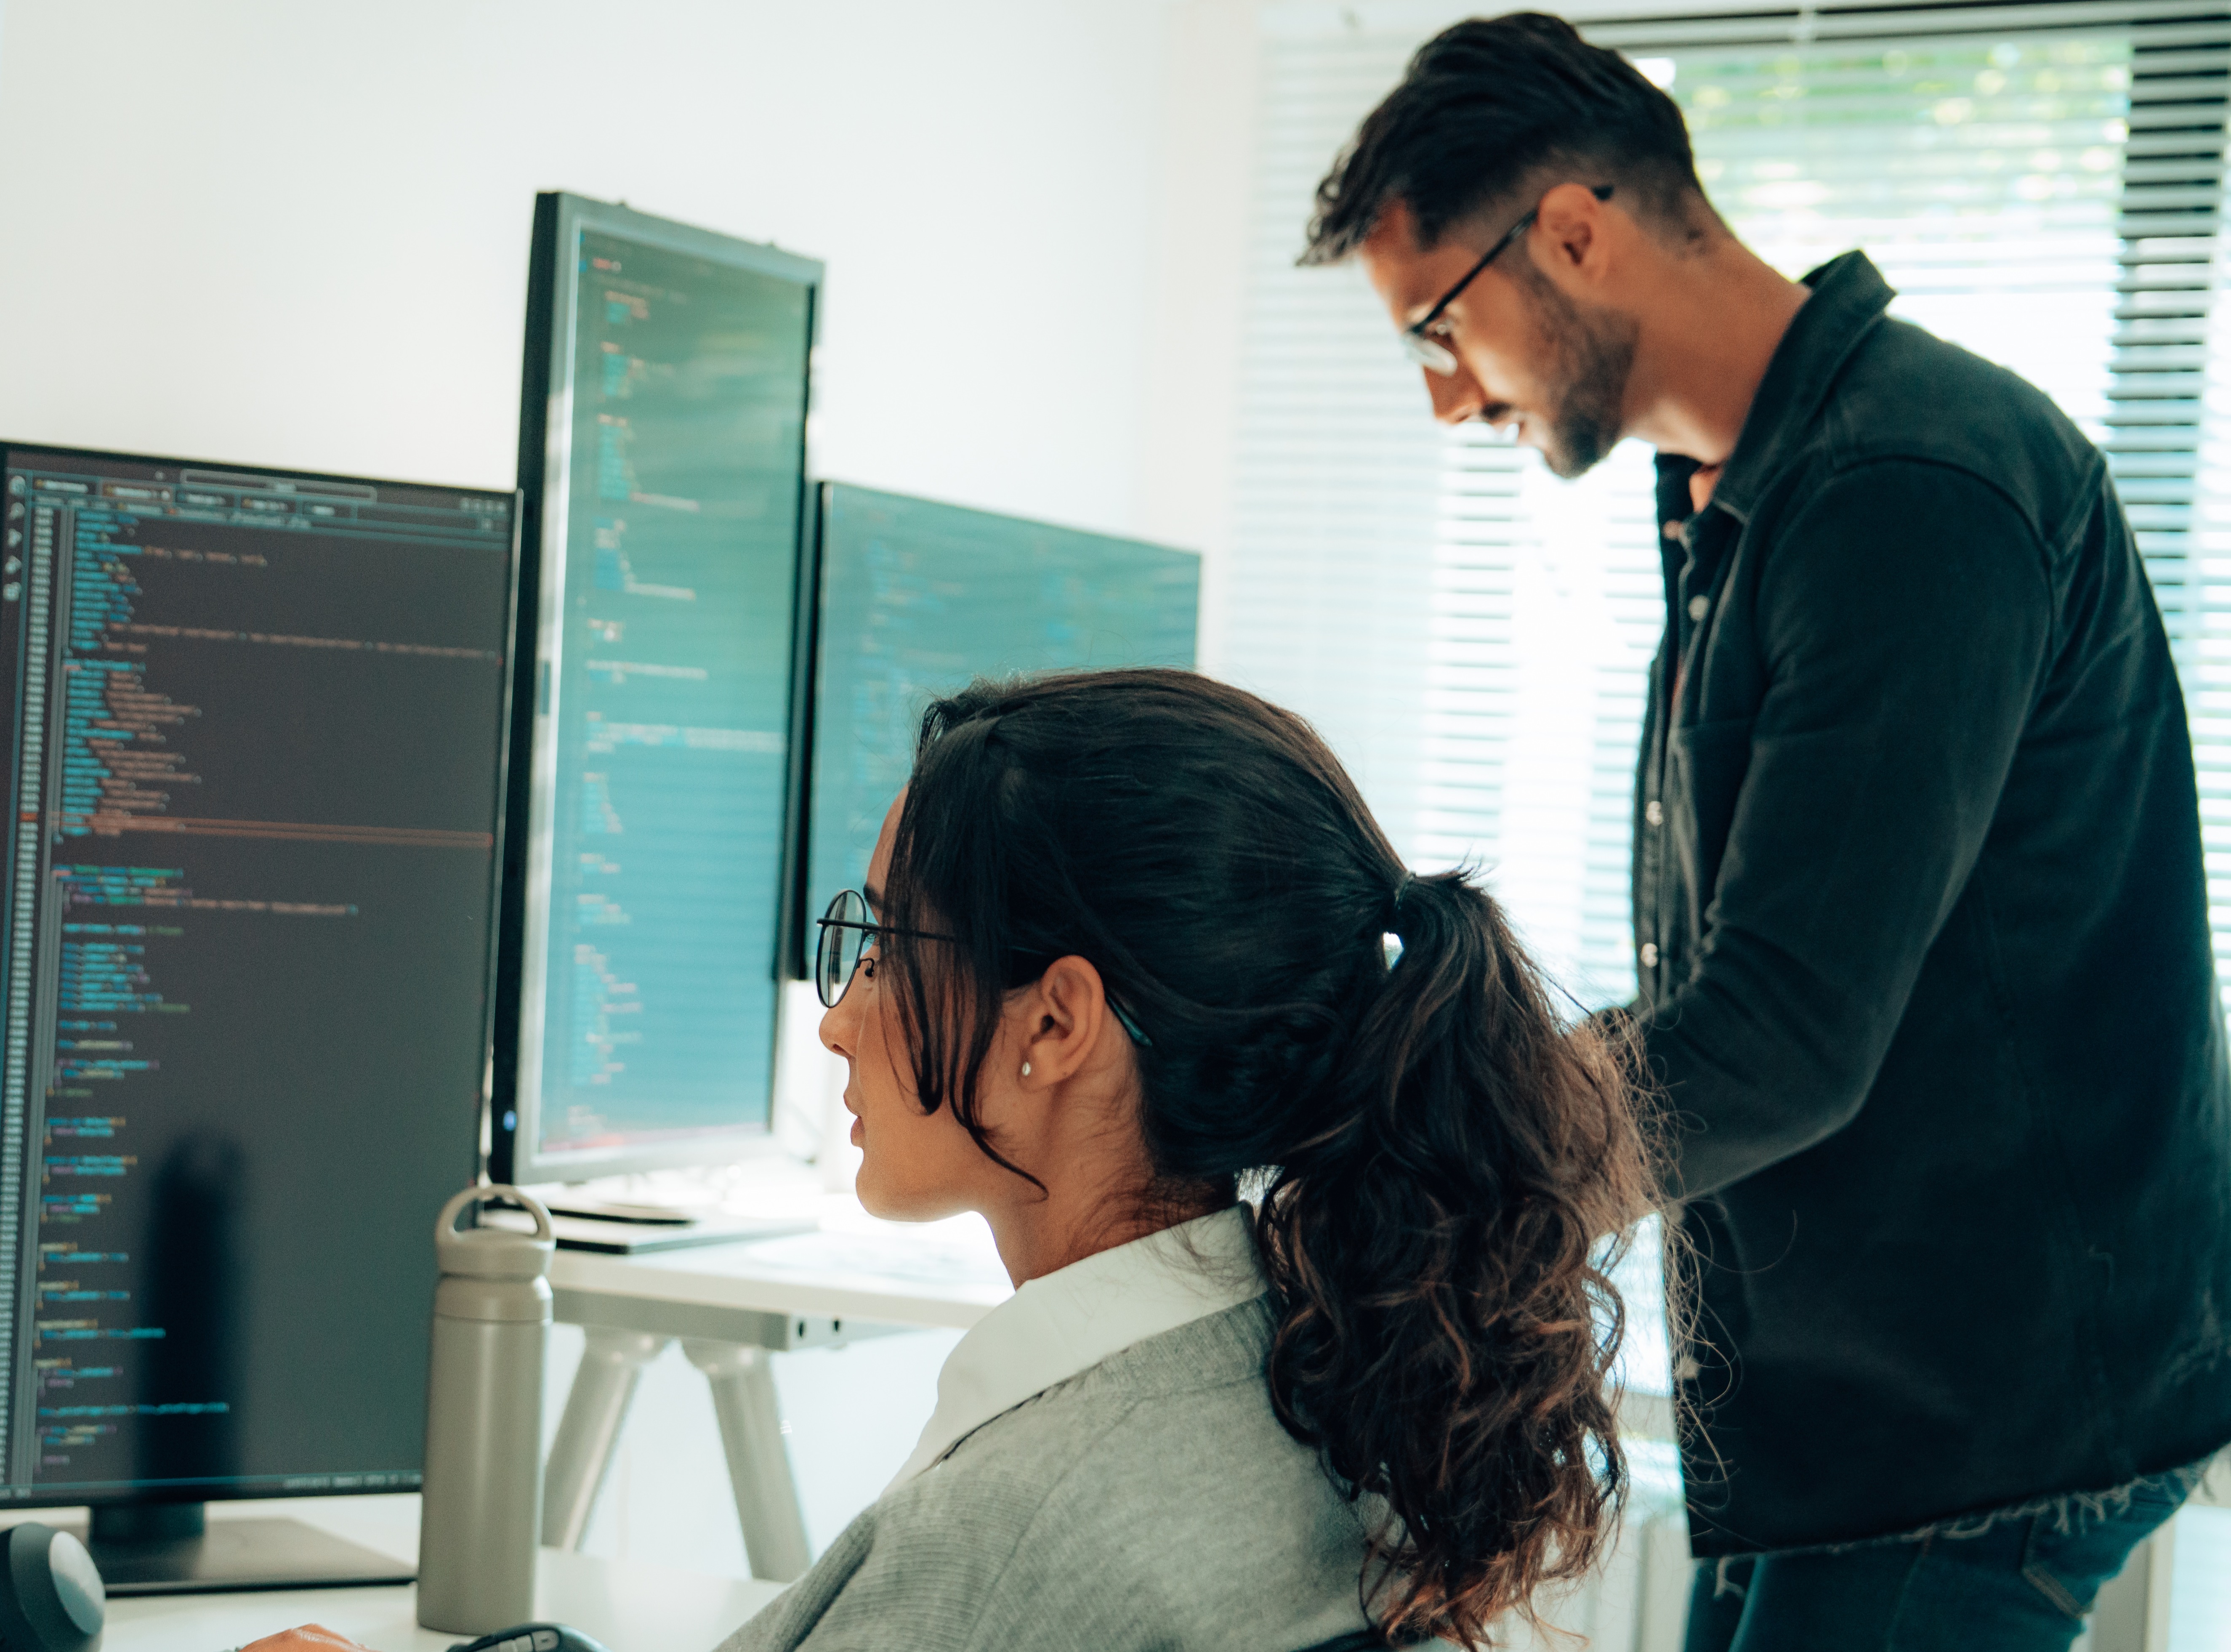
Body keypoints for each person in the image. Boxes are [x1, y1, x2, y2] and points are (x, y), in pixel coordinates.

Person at [1298, 13, 2231, 1647]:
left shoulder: (1904, 490)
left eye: (1438, 329)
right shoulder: (1757, 497)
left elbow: (1781, 1034)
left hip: (1972, 1425)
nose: (1447, 401)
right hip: (1863, 1414)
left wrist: (1443, 1180)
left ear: (1571, 233)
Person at [254, 668, 1659, 1650]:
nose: (841, 1024)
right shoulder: (1308, 1386)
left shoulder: (1026, 1525)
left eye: (884, 949)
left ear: (1054, 1022)